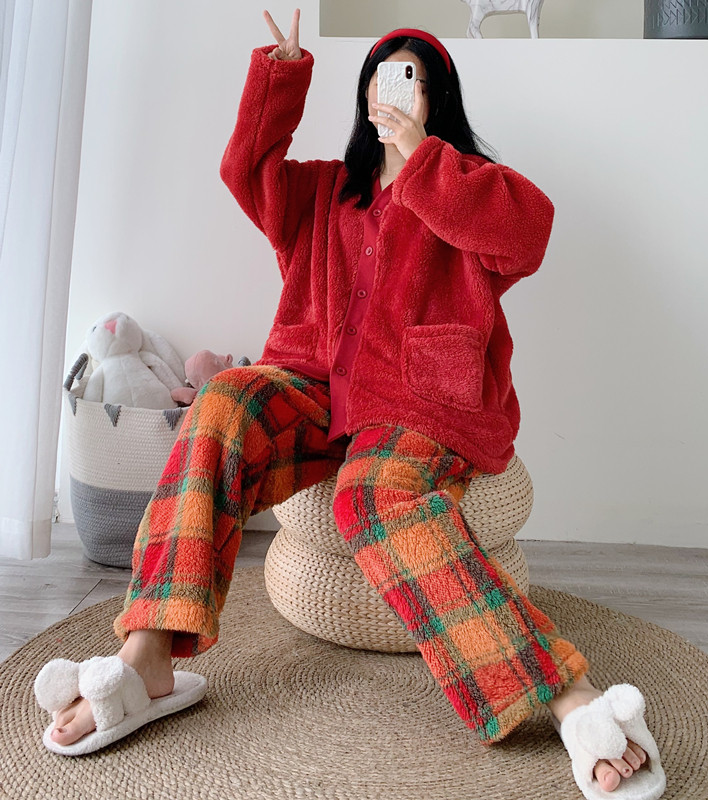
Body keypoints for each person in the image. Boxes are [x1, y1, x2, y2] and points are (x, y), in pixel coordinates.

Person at [38, 8, 663, 798]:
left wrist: (424, 158)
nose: (391, 89)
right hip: (316, 386)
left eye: (412, 79)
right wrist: (280, 75)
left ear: (436, 100)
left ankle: (567, 694)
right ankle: (147, 656)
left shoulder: (467, 188)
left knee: (370, 498)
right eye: (380, 75)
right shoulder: (326, 190)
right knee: (225, 399)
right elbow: (245, 169)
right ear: (364, 92)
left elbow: (528, 234)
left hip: (418, 403)